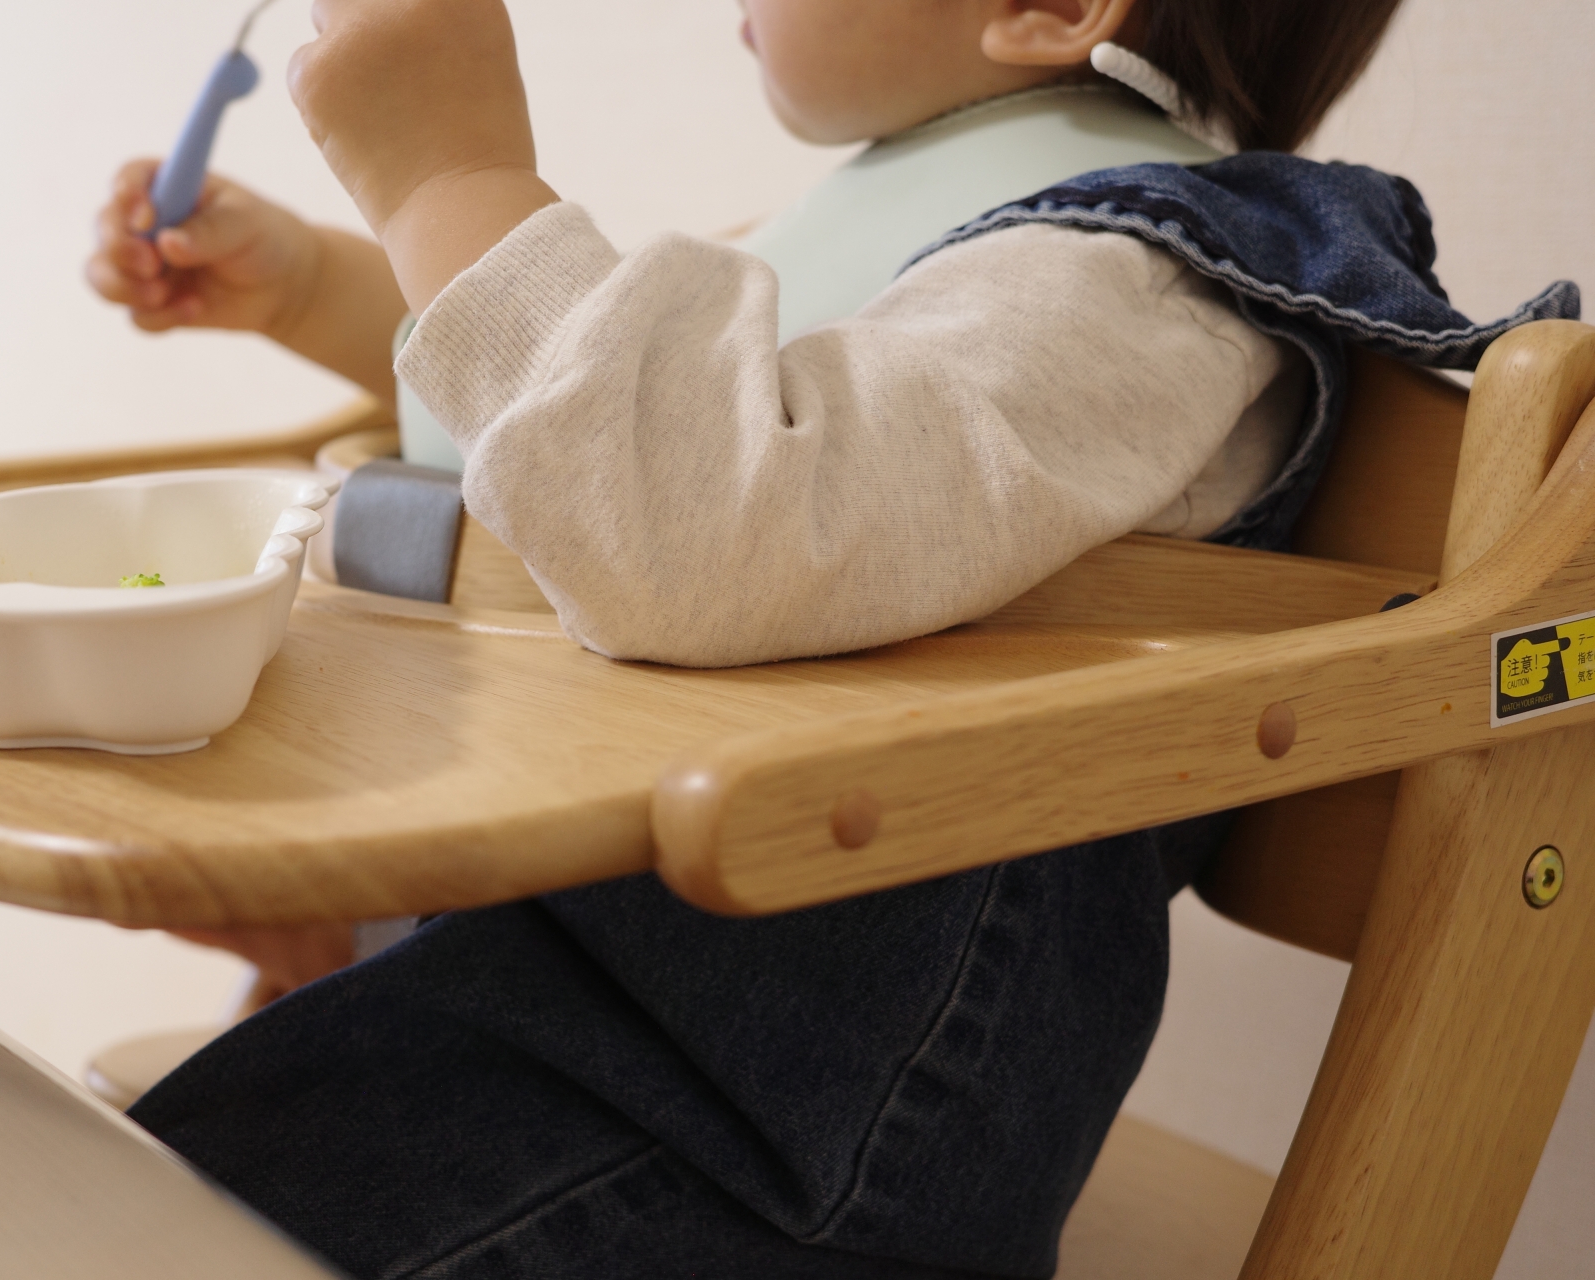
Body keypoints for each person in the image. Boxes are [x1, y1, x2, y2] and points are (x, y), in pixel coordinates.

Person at [87, 1, 1575, 1276]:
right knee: (134, 1179)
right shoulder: (966, 252)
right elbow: (565, 438)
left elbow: (688, 520)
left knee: (115, 1218)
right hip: (598, 1026)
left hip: (775, 1150)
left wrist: (451, 175)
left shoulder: (1128, 290)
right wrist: (319, 284)